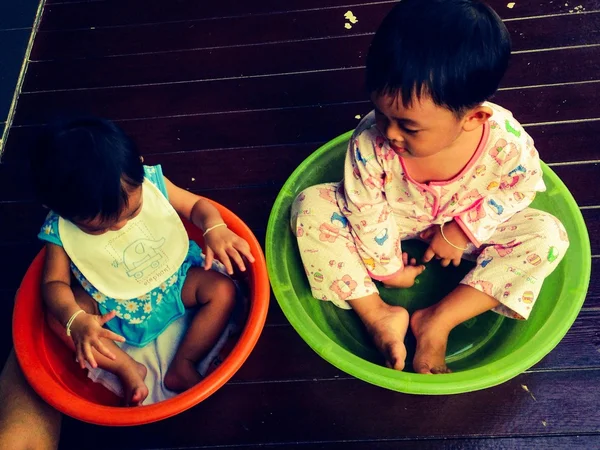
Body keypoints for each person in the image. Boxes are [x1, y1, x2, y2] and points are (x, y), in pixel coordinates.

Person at [291, 0, 569, 374]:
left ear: (473, 118)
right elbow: (365, 208)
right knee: (310, 205)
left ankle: (438, 320)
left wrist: (461, 230)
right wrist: (388, 269)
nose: (389, 133)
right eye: (382, 113)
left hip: (469, 228)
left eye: (408, 126)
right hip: (395, 220)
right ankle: (377, 315)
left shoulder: (507, 143)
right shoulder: (370, 142)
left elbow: (519, 190)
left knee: (547, 235)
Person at [31, 117, 255, 406]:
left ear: (139, 166)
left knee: (223, 291)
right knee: (56, 319)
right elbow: (54, 283)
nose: (120, 227)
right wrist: (76, 319)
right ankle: (127, 367)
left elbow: (197, 206)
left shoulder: (151, 182)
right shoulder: (58, 229)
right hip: (110, 311)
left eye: (133, 213)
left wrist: (215, 228)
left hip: (176, 281)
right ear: (57, 209)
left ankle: (184, 363)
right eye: (98, 228)